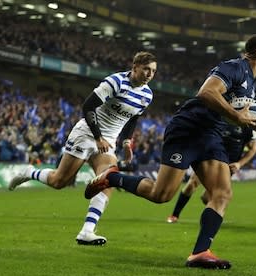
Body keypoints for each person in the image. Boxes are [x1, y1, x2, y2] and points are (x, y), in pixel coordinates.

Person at [84, 34, 256, 269]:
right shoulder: (235, 68)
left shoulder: (252, 85)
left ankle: (199, 252)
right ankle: (112, 177)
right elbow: (207, 93)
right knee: (162, 194)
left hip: (211, 135)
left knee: (222, 193)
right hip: (189, 128)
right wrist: (236, 115)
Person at [8, 51, 157, 245]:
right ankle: (30, 172)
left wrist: (127, 141)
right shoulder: (115, 82)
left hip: (108, 142)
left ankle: (87, 231)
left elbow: (133, 118)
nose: (149, 74)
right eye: (146, 69)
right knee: (59, 181)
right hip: (87, 134)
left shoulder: (147, 95)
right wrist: (98, 136)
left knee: (107, 180)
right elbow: (88, 107)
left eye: (153, 71)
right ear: (135, 67)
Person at [166, 125, 256, 223]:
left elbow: (253, 149)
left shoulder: (248, 127)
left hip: (228, 165)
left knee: (206, 198)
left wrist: (239, 164)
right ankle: (175, 215)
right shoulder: (219, 117)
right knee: (192, 183)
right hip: (210, 157)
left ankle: (213, 217)